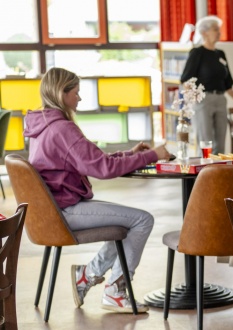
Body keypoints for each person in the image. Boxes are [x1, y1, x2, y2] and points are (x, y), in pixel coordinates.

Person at [23, 67, 172, 313]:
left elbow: (92, 160)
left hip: (53, 208)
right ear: (62, 93)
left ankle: (88, 275)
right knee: (143, 220)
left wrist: (131, 154)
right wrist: (152, 155)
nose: (79, 98)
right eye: (76, 93)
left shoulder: (42, 124)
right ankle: (114, 290)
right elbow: (104, 168)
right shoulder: (62, 129)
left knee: (127, 222)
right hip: (65, 210)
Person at [181, 15, 233, 155]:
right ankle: (204, 174)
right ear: (204, 33)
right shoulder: (197, 53)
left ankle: (218, 174)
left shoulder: (220, 54)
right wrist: (193, 99)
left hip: (220, 100)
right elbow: (186, 79)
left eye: (219, 29)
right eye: (215, 29)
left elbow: (227, 84)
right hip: (203, 101)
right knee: (206, 141)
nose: (219, 32)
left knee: (220, 141)